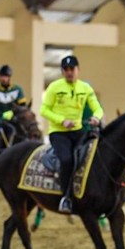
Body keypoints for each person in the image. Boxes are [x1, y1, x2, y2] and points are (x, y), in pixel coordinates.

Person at [40, 55, 104, 214]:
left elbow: (97, 108)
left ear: (78, 70)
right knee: (67, 160)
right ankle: (66, 198)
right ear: (62, 71)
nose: (69, 72)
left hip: (79, 131)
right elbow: (44, 110)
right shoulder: (54, 87)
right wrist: (62, 121)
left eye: (72, 69)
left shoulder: (86, 88)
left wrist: (96, 117)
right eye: (66, 69)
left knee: (99, 154)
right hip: (59, 133)